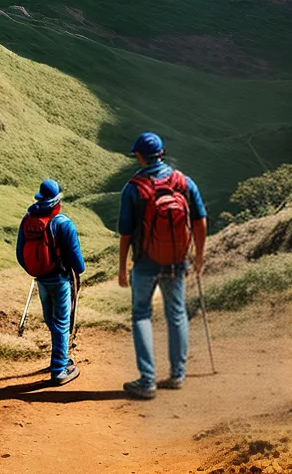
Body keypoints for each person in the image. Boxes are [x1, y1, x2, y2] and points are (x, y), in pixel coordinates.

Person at [118, 131, 207, 400]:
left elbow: (126, 233)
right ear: (162, 153)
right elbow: (200, 221)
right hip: (177, 259)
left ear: (139, 156)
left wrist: (122, 267)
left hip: (145, 261)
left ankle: (147, 382)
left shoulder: (133, 188)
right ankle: (178, 375)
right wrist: (199, 256)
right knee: (177, 314)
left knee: (141, 314)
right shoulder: (184, 182)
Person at [16, 178, 85, 385]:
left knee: (51, 320)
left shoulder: (28, 220)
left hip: (41, 280)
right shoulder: (63, 223)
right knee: (62, 322)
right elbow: (77, 261)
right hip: (61, 279)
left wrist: (36, 269)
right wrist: (79, 271)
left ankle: (60, 357)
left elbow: (20, 254)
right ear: (57, 201)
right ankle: (59, 370)